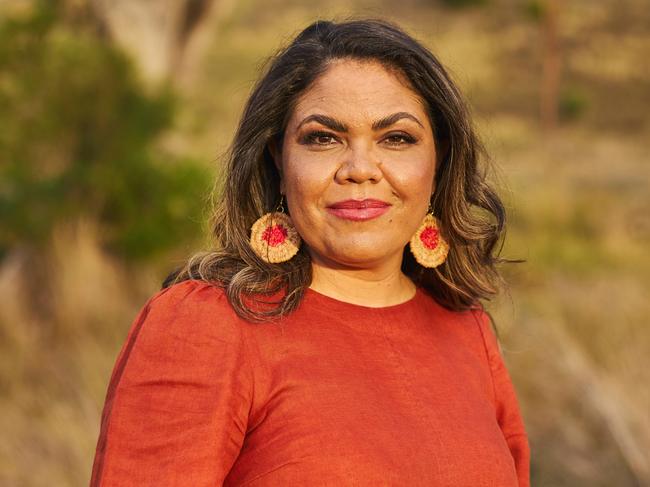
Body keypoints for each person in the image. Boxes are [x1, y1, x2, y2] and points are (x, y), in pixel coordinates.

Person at [90, 17, 530, 486]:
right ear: (279, 161)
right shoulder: (208, 326)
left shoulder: (466, 331)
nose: (360, 169)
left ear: (438, 163)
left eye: (396, 139)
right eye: (323, 138)